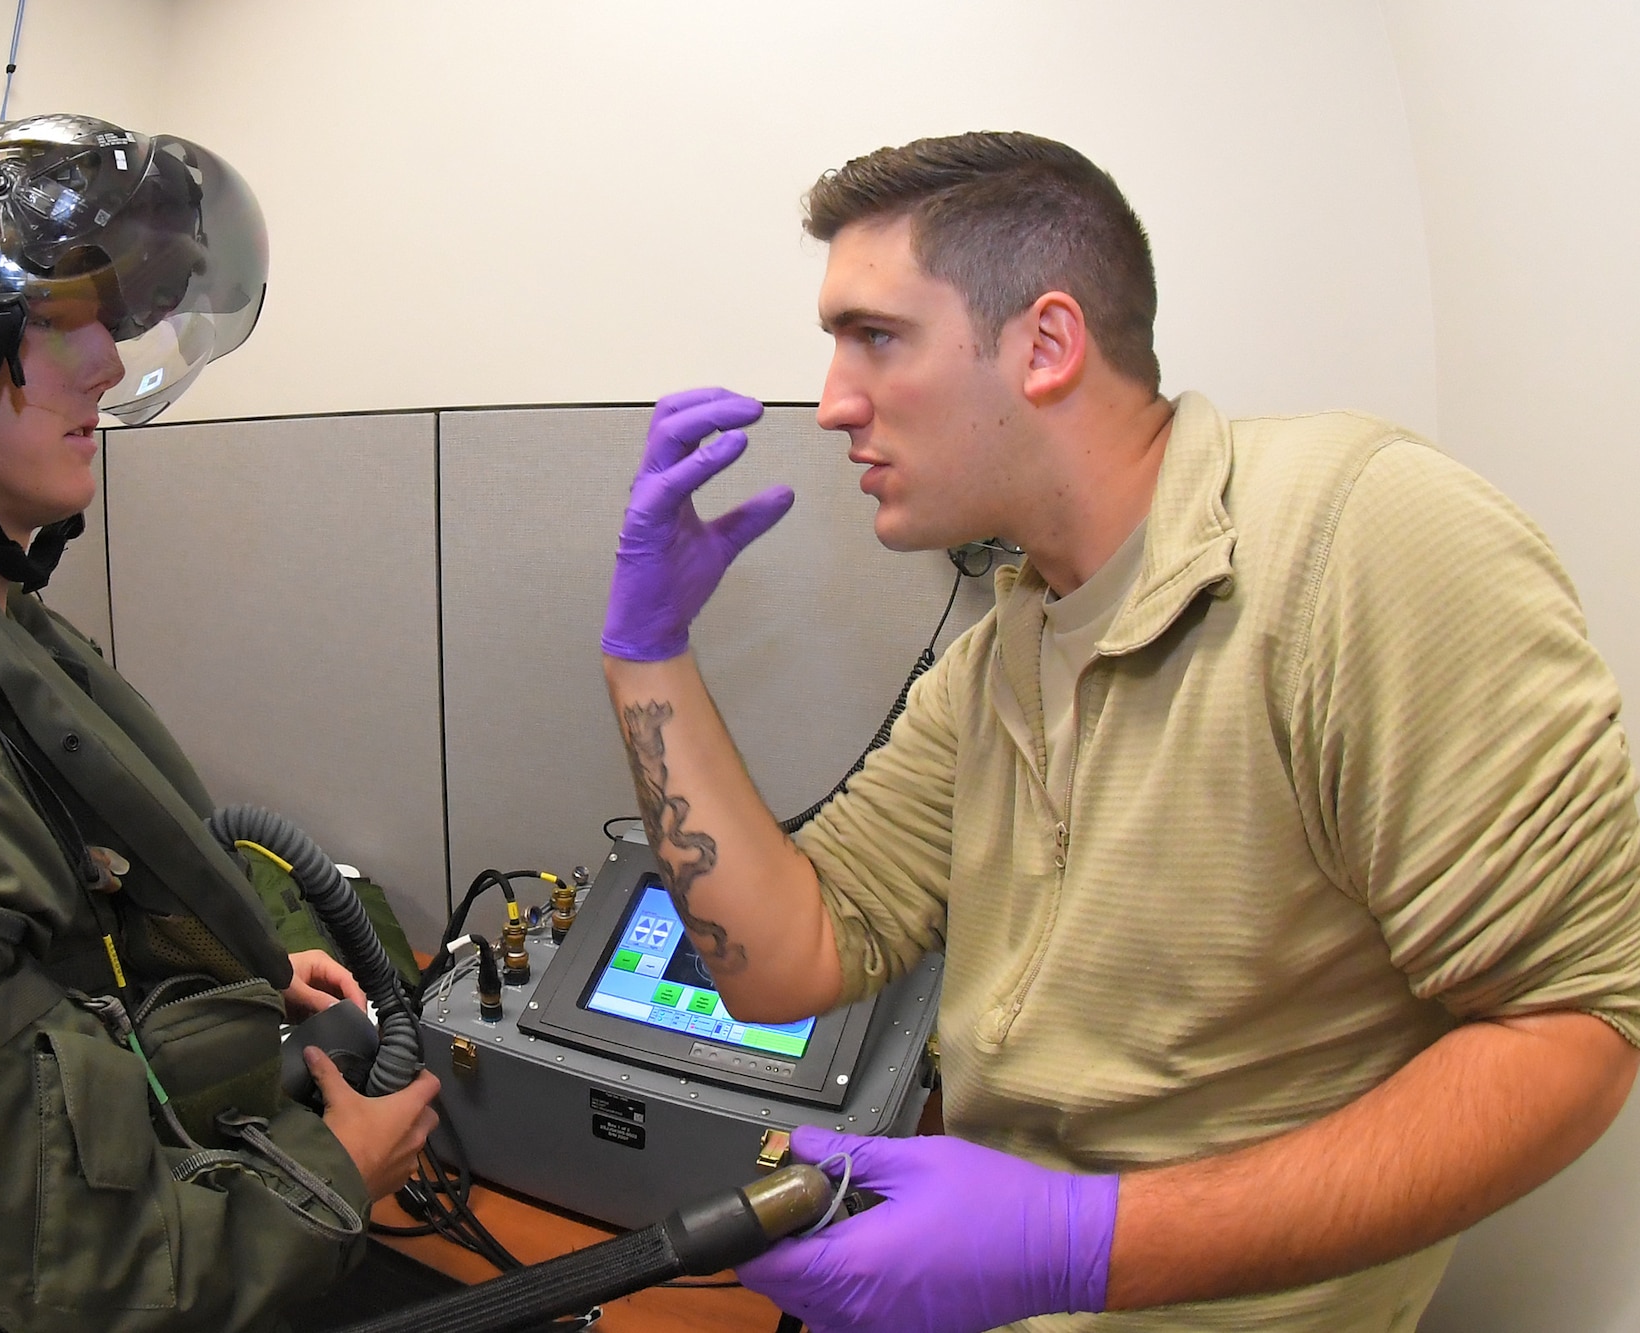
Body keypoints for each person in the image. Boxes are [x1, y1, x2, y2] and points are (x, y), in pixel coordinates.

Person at [599, 131, 1640, 1331]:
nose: (833, 402)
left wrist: (1081, 1244)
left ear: (1044, 344)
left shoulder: (1358, 533)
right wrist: (648, 655)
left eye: (874, 336)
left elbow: (1576, 1027)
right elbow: (781, 962)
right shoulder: (998, 657)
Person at [0, 115, 439, 1332]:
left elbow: (71, 956)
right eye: (62, 326)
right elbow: (74, 1276)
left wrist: (249, 986)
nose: (107, 365)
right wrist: (338, 1177)